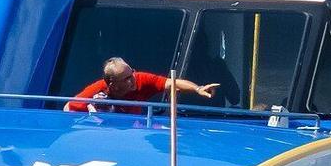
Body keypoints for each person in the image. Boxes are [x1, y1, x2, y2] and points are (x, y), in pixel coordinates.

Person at [64, 57, 219, 113]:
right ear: (112, 83)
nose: (132, 80)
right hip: (107, 136)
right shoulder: (97, 90)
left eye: (131, 74)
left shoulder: (140, 78)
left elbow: (171, 83)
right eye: (126, 79)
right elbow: (68, 108)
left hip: (136, 133)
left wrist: (198, 89)